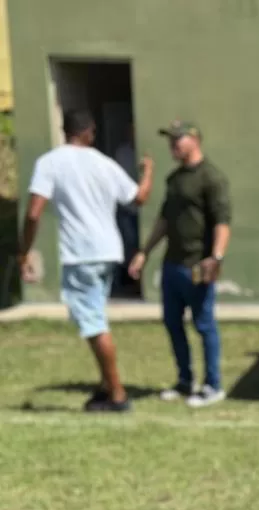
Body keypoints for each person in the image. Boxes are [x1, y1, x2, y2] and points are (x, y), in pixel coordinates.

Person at [17, 109, 153, 412]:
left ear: (66, 131)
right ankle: (105, 386)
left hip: (81, 255)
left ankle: (117, 395)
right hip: (108, 251)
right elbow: (138, 198)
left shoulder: (50, 163)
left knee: (93, 324)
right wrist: (148, 172)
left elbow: (33, 212)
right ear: (90, 132)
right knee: (95, 316)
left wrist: (24, 250)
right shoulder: (105, 164)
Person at [128, 120, 232, 407]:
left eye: (178, 139)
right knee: (173, 323)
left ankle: (213, 386)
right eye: (170, 140)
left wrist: (216, 257)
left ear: (195, 140)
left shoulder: (212, 178)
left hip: (197, 264)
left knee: (204, 324)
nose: (172, 145)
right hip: (172, 265)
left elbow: (223, 222)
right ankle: (185, 381)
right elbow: (164, 219)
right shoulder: (174, 179)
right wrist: (144, 252)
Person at [113, 122, 142, 297]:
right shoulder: (122, 153)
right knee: (129, 247)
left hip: (140, 208)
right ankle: (131, 285)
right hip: (126, 209)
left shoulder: (144, 153)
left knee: (140, 247)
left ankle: (139, 285)